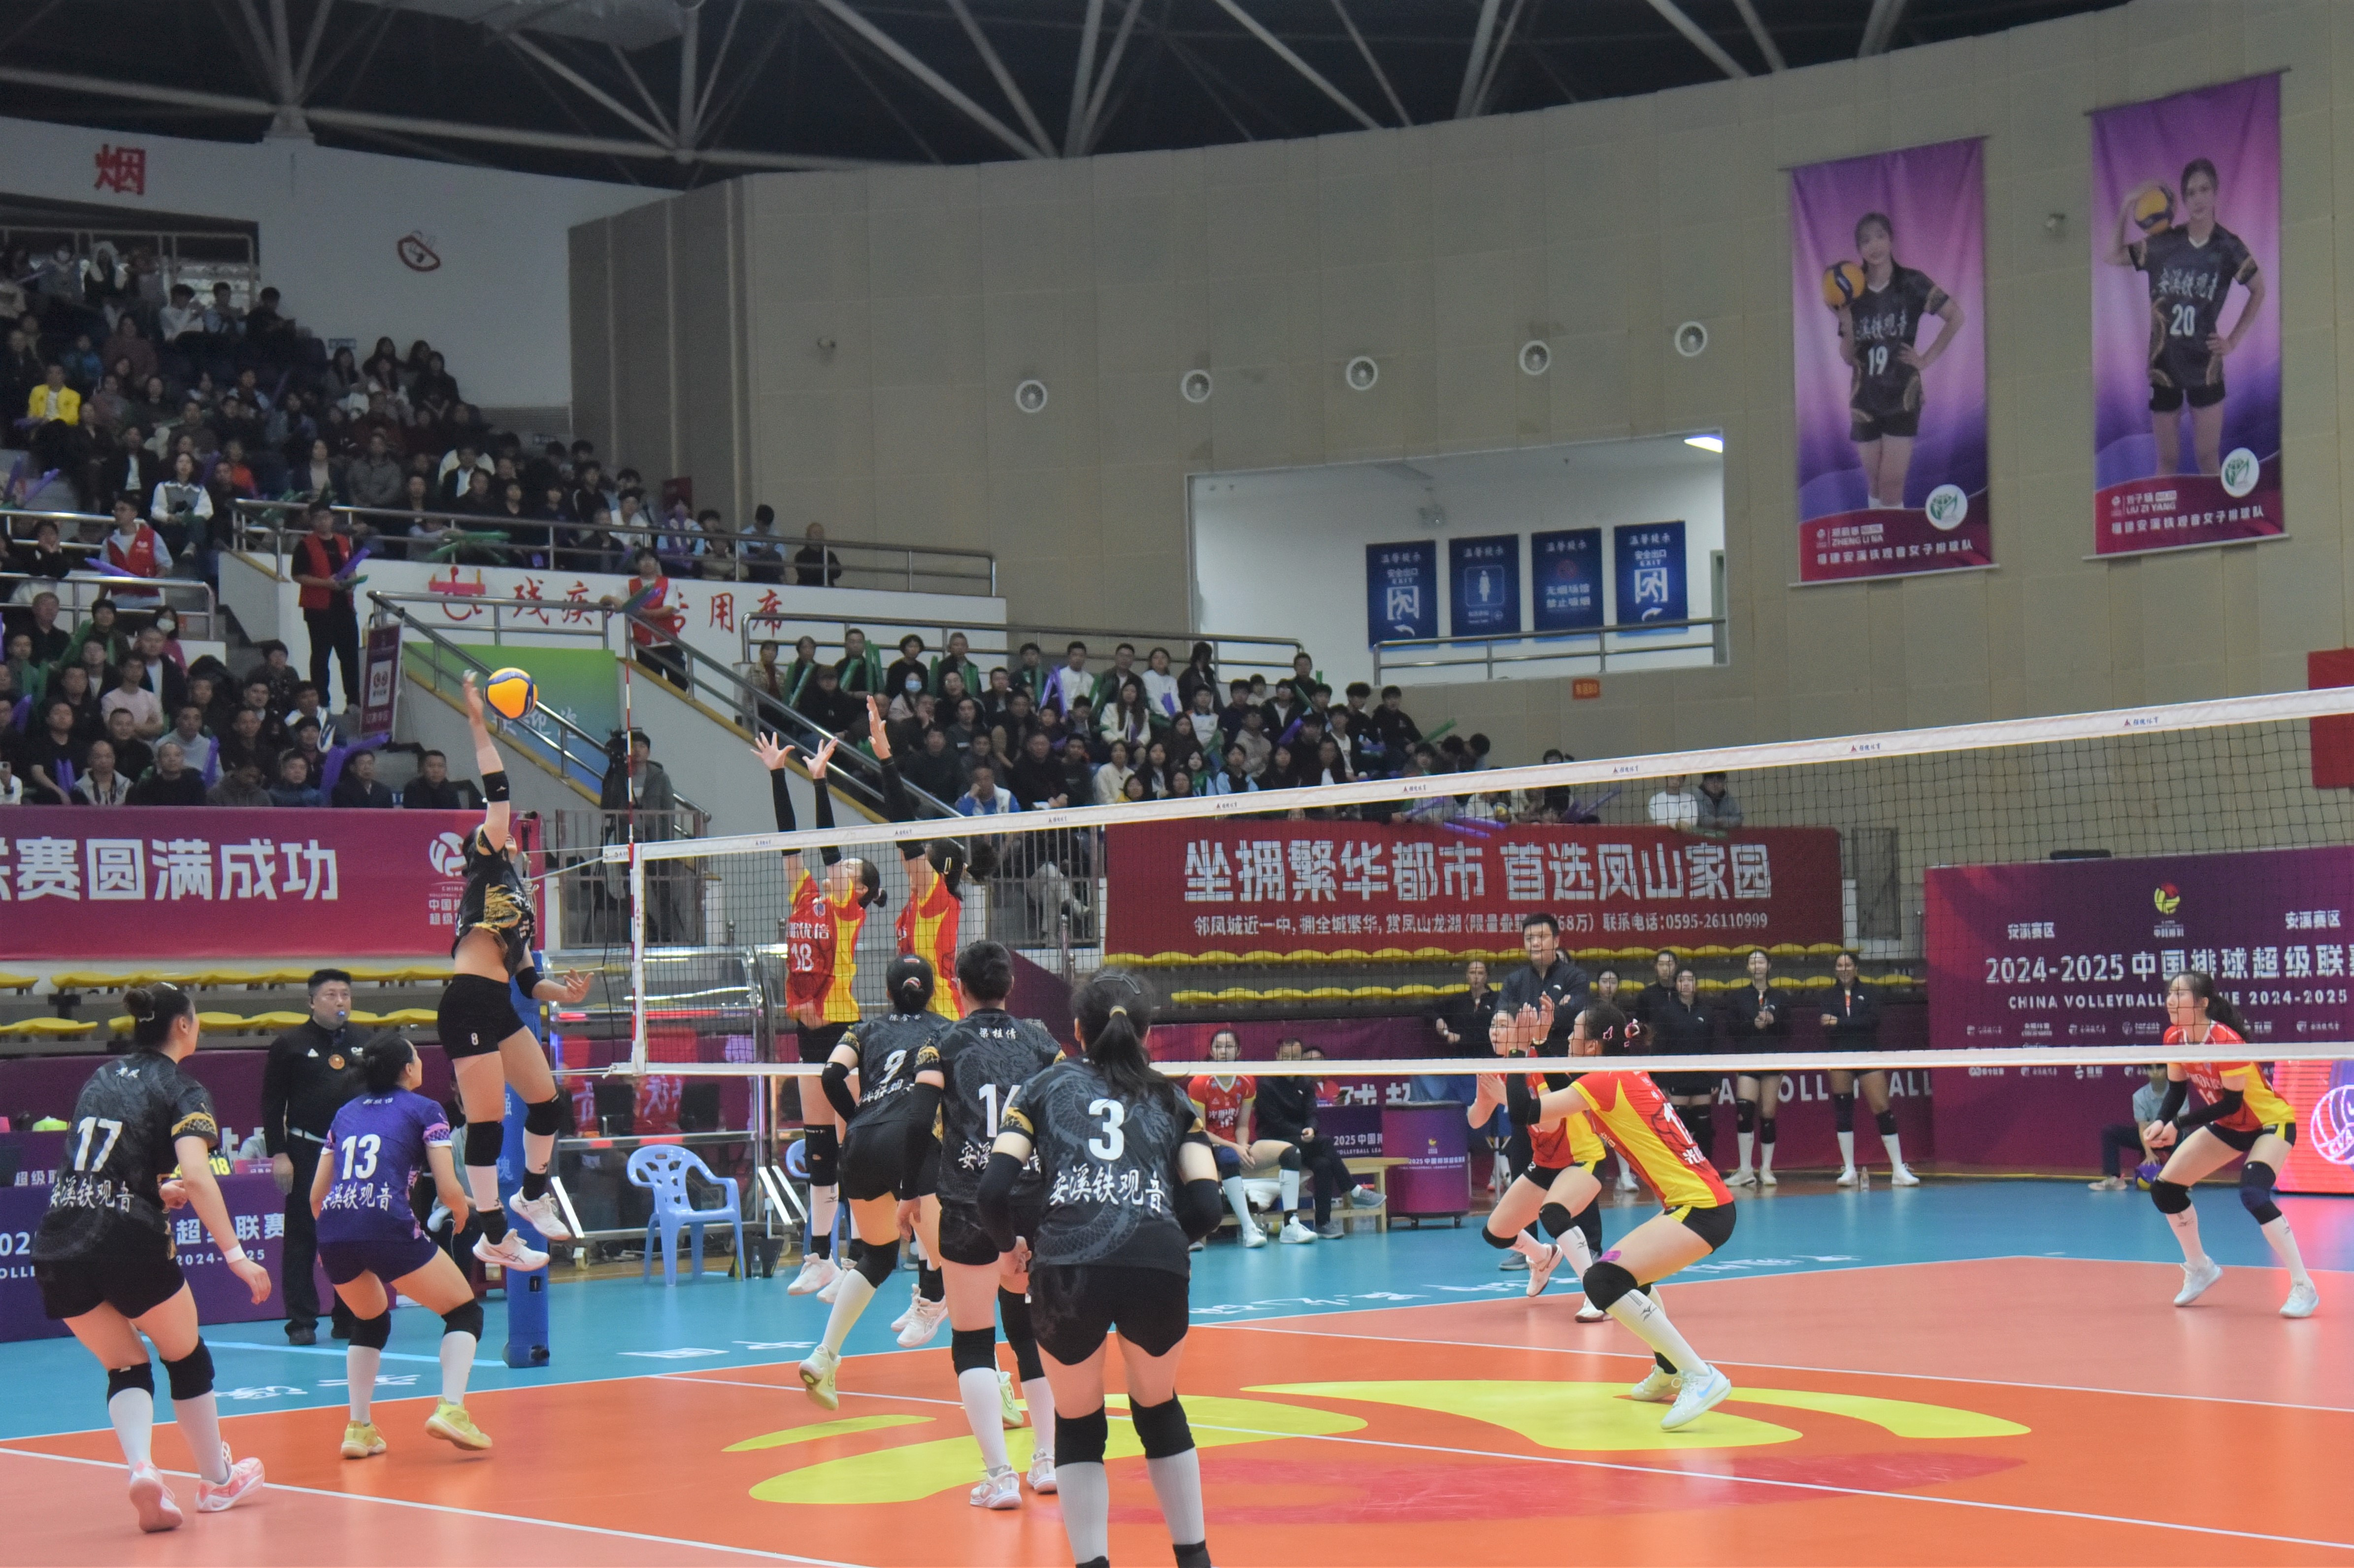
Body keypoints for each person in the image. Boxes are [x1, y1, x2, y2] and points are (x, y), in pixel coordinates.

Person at [978, 970, 1223, 1568]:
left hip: (1067, 1265)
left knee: (1079, 1423)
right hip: (1156, 1261)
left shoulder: (1039, 1089)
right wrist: (1162, 1244)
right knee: (1159, 1409)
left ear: (1078, 1031)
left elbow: (993, 1191)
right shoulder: (1174, 1099)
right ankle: (1195, 1559)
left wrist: (1010, 1250)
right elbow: (1209, 1205)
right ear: (1147, 1033)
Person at [29, 984, 268, 1532]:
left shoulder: (102, 1076)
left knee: (124, 1364)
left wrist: (153, 1193)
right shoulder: (183, 1088)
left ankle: (143, 1466)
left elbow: (98, 1168)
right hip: (127, 1239)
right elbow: (199, 1175)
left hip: (58, 1240)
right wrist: (235, 1254)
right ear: (183, 1026)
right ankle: (217, 1480)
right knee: (186, 1356)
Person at [1500, 1001, 1737, 1431]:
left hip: (1702, 1209)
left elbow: (1523, 1112)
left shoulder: (1605, 1081)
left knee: (1602, 1280)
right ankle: (1668, 1368)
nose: (1568, 1038)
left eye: (1574, 1031)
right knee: (1629, 1273)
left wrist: (1518, 1050)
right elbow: (1565, 1091)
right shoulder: (1614, 1075)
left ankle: (1700, 1375)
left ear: (1592, 1045)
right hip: (1696, 1203)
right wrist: (1539, 1043)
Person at [434, 673, 595, 1273]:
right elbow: (498, 792)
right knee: (486, 1123)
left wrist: (564, 994)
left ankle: (531, 1196)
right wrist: (479, 724)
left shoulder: (518, 904)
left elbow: (528, 981)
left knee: (547, 1102)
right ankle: (494, 1234)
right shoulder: (486, 862)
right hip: (467, 1003)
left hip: (499, 1004)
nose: (508, 834)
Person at [908, 941, 1063, 1506]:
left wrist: (909, 1194)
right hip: (1032, 1198)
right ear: (1010, 986)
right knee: (1031, 1332)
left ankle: (1000, 1478)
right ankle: (1047, 1462)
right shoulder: (1042, 1041)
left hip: (968, 1202)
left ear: (958, 986)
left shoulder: (942, 1043)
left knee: (973, 1342)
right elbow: (1063, 1116)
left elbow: (916, 1125)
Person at [309, 1035, 493, 1458]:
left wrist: (331, 1238)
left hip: (335, 1227)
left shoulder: (345, 1113)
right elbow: (448, 1188)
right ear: (408, 1069)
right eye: (417, 1056)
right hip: (385, 1221)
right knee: (464, 1311)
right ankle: (451, 1409)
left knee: (369, 1320)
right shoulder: (426, 1109)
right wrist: (462, 1212)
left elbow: (317, 1195)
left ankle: (359, 1428)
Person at [755, 733, 886, 1299]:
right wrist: (776, 775)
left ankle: (863, 1256)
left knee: (852, 1147)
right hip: (805, 1032)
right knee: (819, 1148)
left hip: (841, 1033)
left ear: (860, 889)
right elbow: (795, 846)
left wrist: (820, 782)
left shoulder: (848, 911)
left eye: (848, 868)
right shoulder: (806, 897)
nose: (838, 869)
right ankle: (819, 1256)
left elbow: (827, 846)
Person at [797, 955, 953, 1407]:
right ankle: (993, 1376)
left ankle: (824, 1355)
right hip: (911, 1138)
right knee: (956, 1264)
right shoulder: (947, 1030)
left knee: (877, 1256)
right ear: (932, 992)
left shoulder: (863, 1030)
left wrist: (858, 1118)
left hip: (861, 1143)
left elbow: (831, 1074)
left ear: (887, 993)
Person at [2144, 972, 2318, 1317]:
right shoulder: (2173, 1037)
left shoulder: (2225, 1041)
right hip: (2230, 1126)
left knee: (2253, 1194)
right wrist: (2163, 1121)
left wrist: (2178, 1125)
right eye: (2169, 993)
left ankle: (2304, 1286)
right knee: (2165, 1190)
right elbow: (2177, 1090)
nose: (2170, 1001)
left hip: (2269, 1122)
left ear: (2202, 1003)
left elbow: (2232, 1103)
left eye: (2179, 994)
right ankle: (2200, 1268)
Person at [2106, 159, 2267, 478]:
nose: (2198, 198)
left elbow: (2258, 289)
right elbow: (2113, 256)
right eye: (2191, 192)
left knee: (2207, 458)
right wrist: (2126, 206)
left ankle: (2216, 512)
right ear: (2182, 199)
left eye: (2204, 190)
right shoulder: (2165, 242)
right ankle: (2164, 515)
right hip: (2164, 364)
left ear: (2215, 193)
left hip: (2204, 365)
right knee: (2167, 461)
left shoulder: (2228, 246)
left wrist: (2233, 340)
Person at [1469, 1006, 1609, 1321]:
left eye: (1503, 1026)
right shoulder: (1498, 1070)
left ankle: (1598, 1294)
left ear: (1520, 1032)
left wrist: (1505, 1097)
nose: (1495, 1032)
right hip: (1545, 1163)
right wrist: (1483, 1099)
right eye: (1492, 1025)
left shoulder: (1537, 1065)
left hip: (1582, 1159)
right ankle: (1544, 1257)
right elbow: (1476, 1121)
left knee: (1554, 1214)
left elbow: (1550, 1122)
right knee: (1496, 1232)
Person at [259, 971, 368, 1346]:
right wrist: (279, 1153)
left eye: (345, 995)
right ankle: (301, 1321)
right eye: (331, 995)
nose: (340, 1001)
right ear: (311, 1002)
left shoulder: (365, 1042)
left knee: (351, 1233)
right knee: (303, 1235)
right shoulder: (290, 1044)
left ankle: (348, 1315)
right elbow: (272, 1103)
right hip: (306, 1149)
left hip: (353, 1153)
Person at [1834, 210, 1964, 508]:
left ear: (1891, 239)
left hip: (1902, 395)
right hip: (1865, 398)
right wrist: (1848, 325)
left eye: (1880, 236)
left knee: (1892, 485)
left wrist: (1926, 359)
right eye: (1866, 241)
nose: (1874, 245)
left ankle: (1895, 537)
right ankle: (1878, 536)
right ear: (1859, 249)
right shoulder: (1852, 291)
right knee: (1875, 484)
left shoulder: (1912, 282)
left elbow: (1956, 316)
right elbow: (1847, 357)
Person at [867, 696, 986, 1022]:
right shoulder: (920, 898)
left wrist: (886, 760)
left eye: (925, 852)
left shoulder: (937, 896)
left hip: (941, 1014)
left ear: (936, 869)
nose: (914, 855)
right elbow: (904, 841)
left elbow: (905, 832)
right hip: (916, 1012)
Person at [1187, 1030, 1308, 1247]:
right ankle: (1249, 1228)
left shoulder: (1247, 1081)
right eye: (1219, 1047)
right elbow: (1201, 1131)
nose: (1224, 1051)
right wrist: (1234, 1147)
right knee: (1230, 1157)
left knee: (1292, 1153)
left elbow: (1242, 1125)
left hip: (1236, 1145)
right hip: (1209, 1146)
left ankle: (1291, 1224)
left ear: (1238, 1051)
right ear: (1211, 1051)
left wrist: (1243, 1145)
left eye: (1229, 1046)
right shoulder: (1200, 1083)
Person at [1254, 1038, 1383, 1238]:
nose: (1291, 1060)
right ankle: (1353, 1190)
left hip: (1302, 1141)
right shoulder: (1266, 1084)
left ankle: (1323, 1223)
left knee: (1323, 1163)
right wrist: (1303, 1133)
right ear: (1277, 1056)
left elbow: (1312, 1113)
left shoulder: (1305, 1082)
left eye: (1295, 1057)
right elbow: (1274, 1122)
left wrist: (1311, 1129)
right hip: (1274, 1141)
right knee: (1324, 1142)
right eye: (1286, 1056)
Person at [1821, 950, 1916, 1185]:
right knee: (1843, 1109)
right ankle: (1849, 1170)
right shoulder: (1828, 996)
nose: (1844, 969)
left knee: (1882, 1108)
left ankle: (1898, 1169)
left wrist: (1840, 1022)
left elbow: (1872, 1021)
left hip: (1868, 1055)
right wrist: (1850, 1025)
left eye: (1848, 965)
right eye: (1839, 966)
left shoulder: (1871, 993)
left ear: (1856, 968)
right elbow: (1826, 1024)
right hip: (1840, 1056)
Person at [1640, 959, 1721, 1173]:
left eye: (1690, 980)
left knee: (1703, 1128)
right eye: (1681, 980)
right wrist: (1662, 1080)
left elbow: (1714, 1046)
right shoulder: (1666, 1012)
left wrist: (1716, 1077)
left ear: (1696, 984)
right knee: (1679, 1127)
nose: (1686, 984)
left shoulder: (1707, 1011)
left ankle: (1706, 1171)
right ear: (1676, 984)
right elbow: (1660, 1047)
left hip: (1701, 1077)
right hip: (1676, 1077)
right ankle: (1680, 1171)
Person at [1723, 948, 1790, 1188]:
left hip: (1772, 1060)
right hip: (1748, 1059)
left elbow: (1789, 1031)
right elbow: (1731, 1029)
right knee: (1745, 1110)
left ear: (1769, 966)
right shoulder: (1739, 997)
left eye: (1761, 962)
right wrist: (1752, 1024)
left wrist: (1774, 1021)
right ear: (1748, 967)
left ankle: (1766, 1169)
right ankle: (1745, 1170)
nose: (1757, 966)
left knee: (1768, 1114)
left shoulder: (1781, 997)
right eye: (1753, 962)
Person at [290, 501, 362, 710]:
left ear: (333, 519)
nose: (324, 522)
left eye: (327, 517)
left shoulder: (343, 542)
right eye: (318, 518)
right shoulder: (306, 545)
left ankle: (353, 702)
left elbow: (351, 569)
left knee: (350, 657)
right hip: (319, 609)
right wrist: (326, 584)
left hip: (344, 607)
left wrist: (352, 584)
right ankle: (322, 702)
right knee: (321, 657)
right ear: (312, 522)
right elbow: (298, 575)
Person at [2091, 1065, 2175, 1192]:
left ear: (2167, 1070)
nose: (2155, 1072)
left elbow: (2179, 1122)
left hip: (2170, 1135)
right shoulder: (2140, 1096)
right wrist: (2149, 1153)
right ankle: (2115, 1179)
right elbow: (2142, 1128)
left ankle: (2181, 1181)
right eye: (2151, 1069)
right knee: (2110, 1132)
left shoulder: (2177, 1092)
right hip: (2148, 1137)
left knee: (2184, 1133)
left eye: (2159, 1068)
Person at [400, 748, 466, 810]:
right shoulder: (413, 788)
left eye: (441, 766)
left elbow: (455, 814)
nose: (436, 770)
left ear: (446, 769)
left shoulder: (450, 789)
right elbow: (413, 815)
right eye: (431, 766)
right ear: (422, 769)